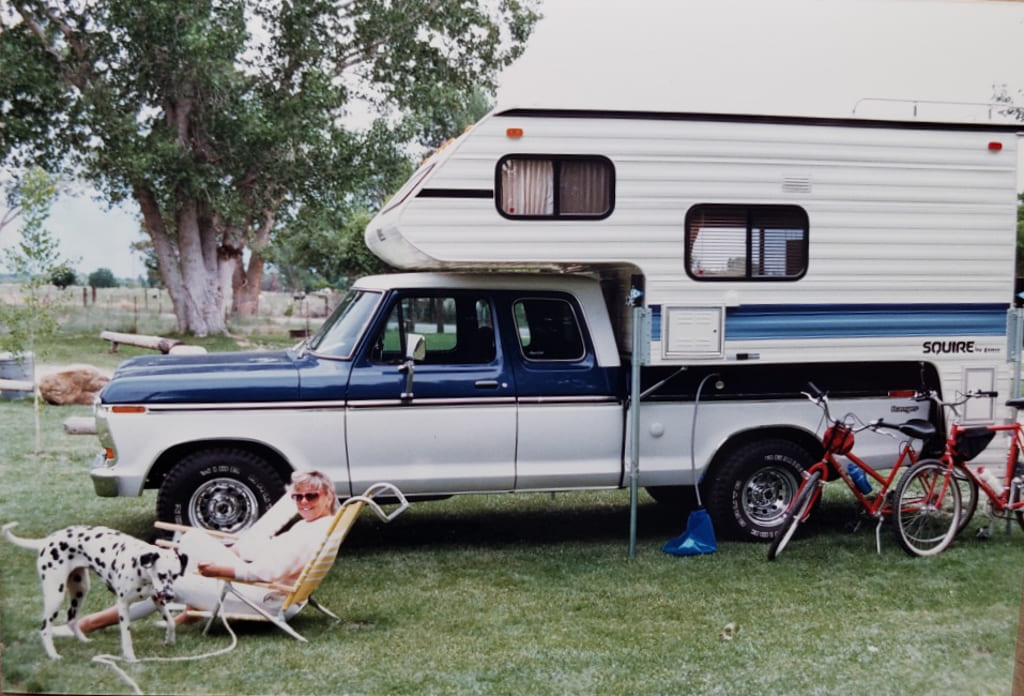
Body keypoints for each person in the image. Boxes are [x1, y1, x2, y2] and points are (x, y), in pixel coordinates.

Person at [65, 470, 340, 635]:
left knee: (163, 580)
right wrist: (230, 553)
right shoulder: (318, 524)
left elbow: (264, 572)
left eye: (311, 496)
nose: (303, 502)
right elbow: (268, 555)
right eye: (298, 497)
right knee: (194, 538)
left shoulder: (310, 533)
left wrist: (218, 570)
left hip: (265, 599)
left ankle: (87, 624)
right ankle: (191, 610)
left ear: (328, 496)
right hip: (274, 592)